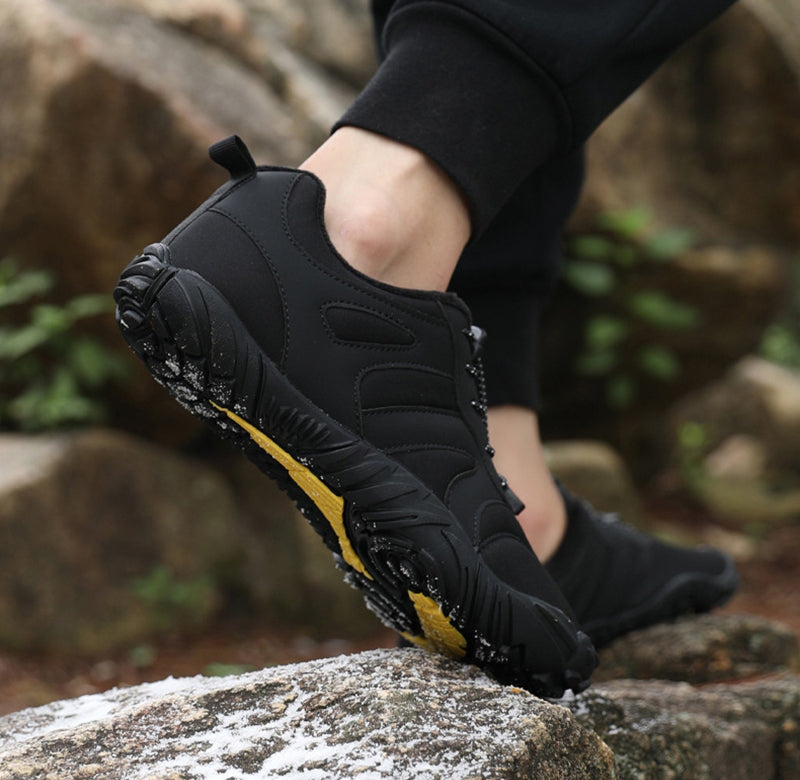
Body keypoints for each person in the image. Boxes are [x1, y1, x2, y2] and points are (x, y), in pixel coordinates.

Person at [114, 0, 740, 697]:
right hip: (354, 236)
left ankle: (522, 500)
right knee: (436, 156)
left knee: (492, 155)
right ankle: (366, 229)